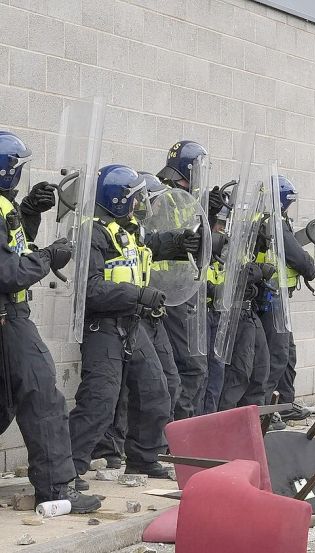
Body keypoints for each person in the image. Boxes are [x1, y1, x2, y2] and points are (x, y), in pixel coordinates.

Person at [70, 164, 196, 489]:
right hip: (104, 328)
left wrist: (182, 241)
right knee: (100, 400)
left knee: (156, 391)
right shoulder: (93, 233)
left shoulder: (128, 229)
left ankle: (143, 458)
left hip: (132, 324)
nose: (141, 205)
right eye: (136, 198)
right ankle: (66, 470)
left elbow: (152, 244)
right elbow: (93, 289)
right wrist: (139, 294)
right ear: (119, 198)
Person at [0, 131, 101, 513]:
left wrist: (28, 211)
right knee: (44, 397)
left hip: (9, 316)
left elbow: (11, 246)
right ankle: (58, 489)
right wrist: (49, 257)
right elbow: (8, 272)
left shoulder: (2, 205)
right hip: (7, 315)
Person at [155, 140, 210, 420]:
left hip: (182, 292)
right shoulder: (164, 197)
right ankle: (181, 430)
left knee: (183, 367)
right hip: (167, 292)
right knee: (191, 367)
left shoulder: (183, 198)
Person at [258, 175, 315, 422]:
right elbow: (294, 255)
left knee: (287, 353)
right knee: (277, 355)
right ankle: (265, 412)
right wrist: (311, 268)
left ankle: (284, 403)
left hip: (279, 296)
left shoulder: (275, 221)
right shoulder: (273, 222)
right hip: (272, 297)